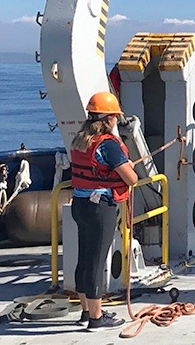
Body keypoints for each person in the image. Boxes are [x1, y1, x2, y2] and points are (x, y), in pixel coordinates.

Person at [69, 92, 138, 330]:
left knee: (85, 257)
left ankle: (86, 312)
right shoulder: (107, 144)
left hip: (80, 205)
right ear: (109, 119)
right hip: (101, 207)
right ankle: (97, 319)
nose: (117, 122)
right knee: (97, 260)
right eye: (115, 118)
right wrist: (128, 168)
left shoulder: (80, 140)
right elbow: (131, 179)